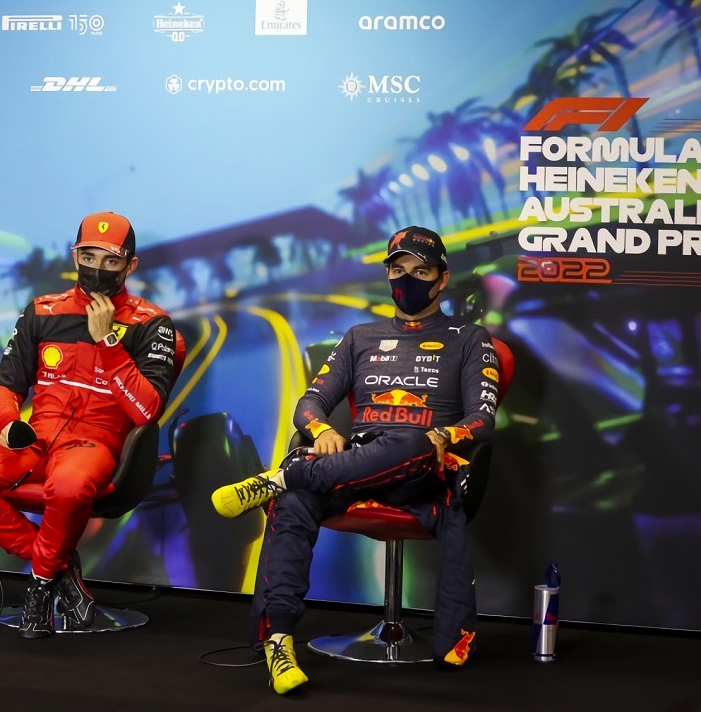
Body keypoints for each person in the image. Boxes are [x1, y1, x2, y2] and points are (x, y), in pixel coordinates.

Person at [211, 226, 500, 693]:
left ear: (442, 279)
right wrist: (323, 430)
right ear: (387, 274)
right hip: (355, 466)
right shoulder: (359, 336)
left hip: (422, 469)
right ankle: (279, 641)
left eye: (421, 271)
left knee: (413, 442)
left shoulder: (469, 338)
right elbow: (308, 404)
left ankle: (283, 476)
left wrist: (443, 436)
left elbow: (483, 420)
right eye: (398, 270)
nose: (407, 280)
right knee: (296, 503)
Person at [0, 211, 179, 639]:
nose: (98, 268)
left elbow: (146, 411)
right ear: (75, 255)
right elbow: (5, 384)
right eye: (89, 255)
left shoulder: (151, 324)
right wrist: (9, 421)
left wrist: (107, 341)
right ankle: (61, 571)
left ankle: (39, 585)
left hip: (96, 444)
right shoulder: (42, 311)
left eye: (111, 260)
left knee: (66, 488)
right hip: (36, 437)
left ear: (130, 266)